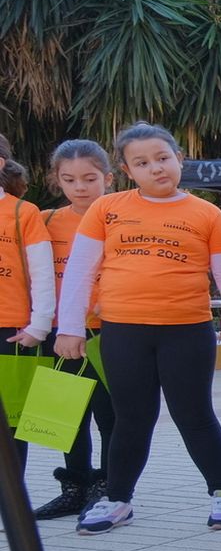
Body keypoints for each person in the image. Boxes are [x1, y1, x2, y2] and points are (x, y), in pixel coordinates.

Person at [58, 122, 221, 533]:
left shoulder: (207, 213)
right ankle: (117, 500)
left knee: (194, 414)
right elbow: (80, 270)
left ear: (179, 159)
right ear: (128, 171)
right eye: (142, 163)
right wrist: (70, 327)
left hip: (186, 329)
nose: (156, 168)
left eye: (163, 158)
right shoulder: (106, 209)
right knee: (131, 418)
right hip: (123, 331)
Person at [33, 141, 116, 519]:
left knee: (109, 414)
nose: (80, 187)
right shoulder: (47, 221)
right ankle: (74, 488)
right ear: (57, 180)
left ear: (108, 179)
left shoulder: (121, 216)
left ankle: (109, 487)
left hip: (108, 331)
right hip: (61, 332)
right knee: (67, 415)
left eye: (89, 178)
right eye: (69, 179)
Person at [0, 134, 56, 474]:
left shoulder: (23, 212)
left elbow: (42, 274)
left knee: (11, 421)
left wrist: (39, 325)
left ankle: (12, 505)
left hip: (12, 331)